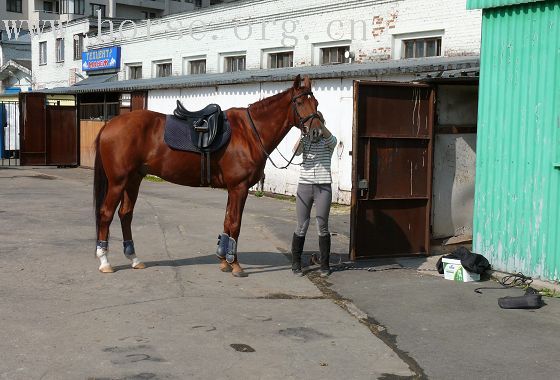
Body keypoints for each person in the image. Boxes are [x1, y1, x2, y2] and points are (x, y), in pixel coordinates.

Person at [291, 112, 337, 277]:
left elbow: (334, 141)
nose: (315, 128)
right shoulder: (306, 141)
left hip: (323, 187)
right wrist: (304, 133)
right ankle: (296, 262)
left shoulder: (327, 142)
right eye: (313, 124)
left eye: (318, 124)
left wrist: (320, 125)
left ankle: (324, 265)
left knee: (322, 225)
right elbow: (295, 152)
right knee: (301, 225)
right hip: (304, 186)